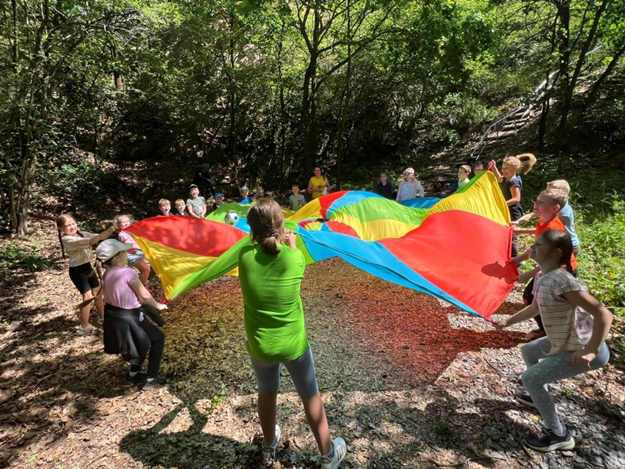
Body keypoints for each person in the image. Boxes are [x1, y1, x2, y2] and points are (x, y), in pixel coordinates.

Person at [238, 198, 347, 468]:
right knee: (310, 394)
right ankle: (327, 455)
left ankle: (268, 446)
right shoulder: (295, 258)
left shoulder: (244, 258)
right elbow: (287, 255)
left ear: (251, 230)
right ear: (281, 225)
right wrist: (292, 243)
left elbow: (255, 248)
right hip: (294, 345)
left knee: (267, 392)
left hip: (261, 345)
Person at [495, 230, 612, 452]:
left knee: (530, 378)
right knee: (530, 351)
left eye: (539, 245)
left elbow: (604, 314)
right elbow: (535, 308)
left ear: (556, 252)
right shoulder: (542, 275)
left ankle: (558, 435)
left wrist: (591, 350)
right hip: (564, 341)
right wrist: (506, 322)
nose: (532, 247)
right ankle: (536, 396)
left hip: (582, 349)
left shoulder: (561, 280)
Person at [96, 239, 168, 391]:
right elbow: (144, 296)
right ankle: (151, 378)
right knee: (157, 338)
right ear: (116, 257)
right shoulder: (127, 272)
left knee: (137, 343)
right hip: (131, 317)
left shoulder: (107, 273)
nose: (126, 254)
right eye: (123, 252)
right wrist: (158, 305)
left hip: (116, 317)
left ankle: (134, 374)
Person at [512, 190, 579, 339]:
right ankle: (545, 330)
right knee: (530, 298)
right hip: (548, 269)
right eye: (537, 200)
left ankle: (552, 333)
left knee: (540, 301)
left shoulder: (552, 229)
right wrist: (518, 259)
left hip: (562, 270)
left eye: (541, 202)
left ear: (555, 208)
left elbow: (551, 261)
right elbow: (536, 247)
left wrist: (527, 275)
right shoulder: (542, 221)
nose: (535, 204)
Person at [56, 214, 117, 335]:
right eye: (68, 225)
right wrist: (111, 228)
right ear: (61, 229)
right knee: (88, 297)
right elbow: (94, 240)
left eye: (73, 223)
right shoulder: (68, 240)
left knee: (98, 294)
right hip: (77, 270)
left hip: (88, 267)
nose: (72, 226)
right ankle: (84, 326)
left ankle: (103, 318)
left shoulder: (81, 233)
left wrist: (113, 230)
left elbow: (99, 237)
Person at [516, 180, 580, 256]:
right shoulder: (548, 205)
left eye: (551, 190)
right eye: (547, 190)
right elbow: (531, 215)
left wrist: (521, 231)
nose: (547, 192)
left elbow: (548, 231)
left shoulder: (562, 211)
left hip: (568, 245)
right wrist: (517, 222)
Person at [489, 153, 537, 256]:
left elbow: (516, 198)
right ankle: (508, 255)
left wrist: (502, 204)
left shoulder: (513, 182)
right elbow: (498, 178)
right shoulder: (507, 178)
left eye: (506, 168)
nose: (503, 170)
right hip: (507, 210)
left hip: (513, 212)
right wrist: (493, 167)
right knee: (506, 233)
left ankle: (515, 259)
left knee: (510, 234)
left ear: (515, 168)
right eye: (502, 168)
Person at [115, 214, 152, 288]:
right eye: (123, 222)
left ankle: (140, 286)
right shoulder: (122, 234)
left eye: (127, 221)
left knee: (146, 269)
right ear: (118, 225)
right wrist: (143, 248)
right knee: (146, 270)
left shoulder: (130, 232)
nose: (126, 223)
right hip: (131, 255)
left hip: (137, 253)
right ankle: (139, 289)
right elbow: (130, 246)